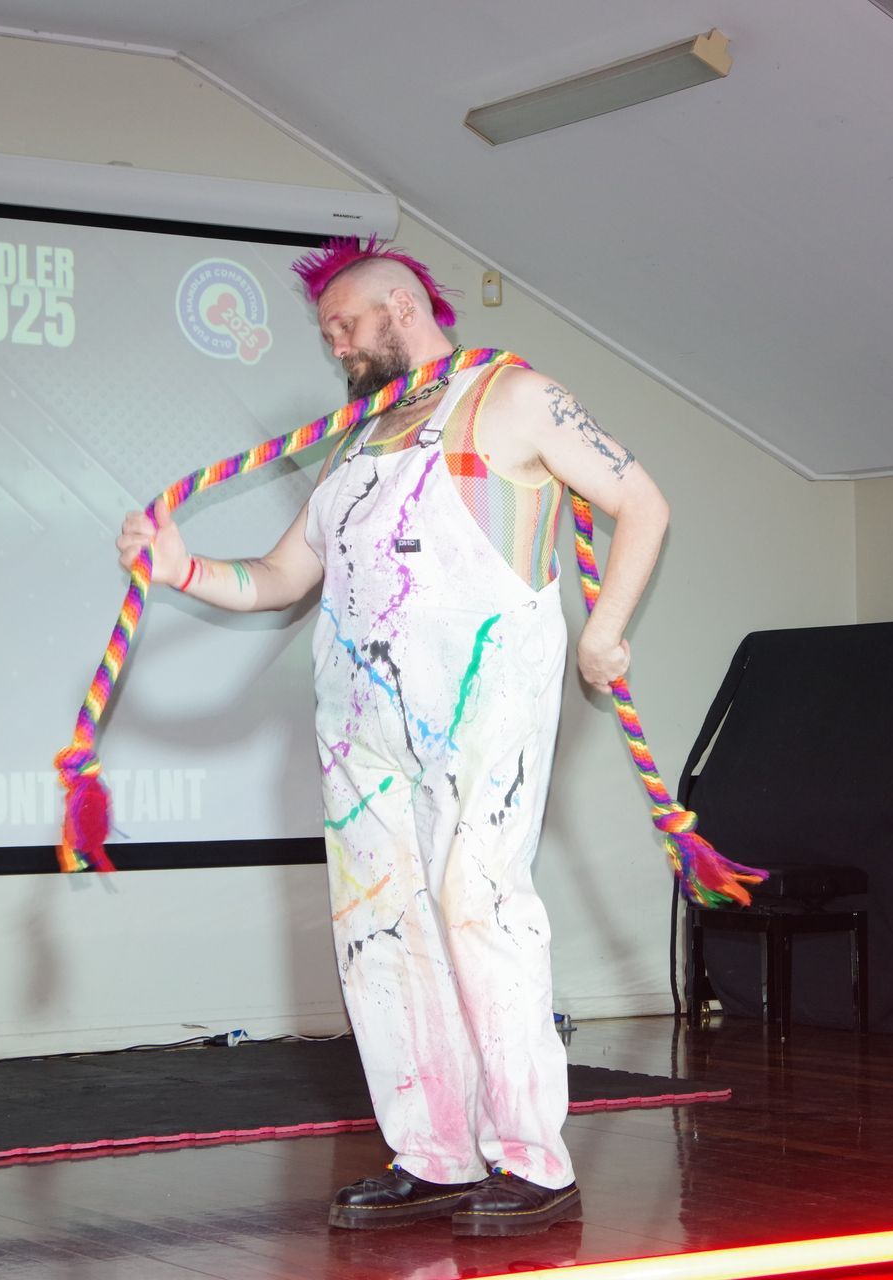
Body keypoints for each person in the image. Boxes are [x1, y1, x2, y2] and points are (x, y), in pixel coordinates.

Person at [117, 237, 669, 1235]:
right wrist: (180, 568)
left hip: (481, 703)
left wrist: (606, 630)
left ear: (401, 308)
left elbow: (642, 501)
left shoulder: (514, 398)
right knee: (379, 930)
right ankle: (434, 1156)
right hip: (360, 725)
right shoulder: (357, 444)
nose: (334, 345)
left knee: (480, 908)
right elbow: (280, 579)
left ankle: (534, 1164)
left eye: (344, 324)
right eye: (327, 331)